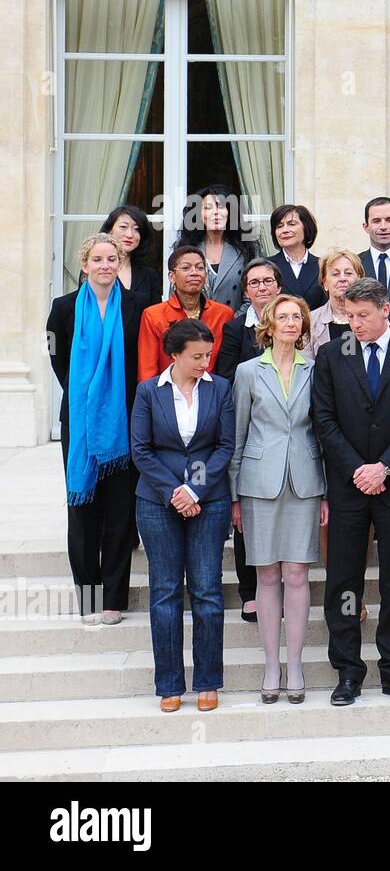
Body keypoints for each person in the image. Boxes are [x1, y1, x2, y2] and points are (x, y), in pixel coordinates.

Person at [312, 278, 390, 706]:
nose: (355, 323)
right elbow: (323, 420)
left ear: (386, 309)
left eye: (363, 315)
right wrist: (357, 470)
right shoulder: (331, 355)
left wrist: (384, 468)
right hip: (348, 488)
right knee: (344, 582)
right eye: (349, 315)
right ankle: (347, 671)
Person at [130, 318, 235, 713]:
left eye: (208, 355)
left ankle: (208, 680)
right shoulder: (148, 392)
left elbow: (225, 446)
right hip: (157, 503)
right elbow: (141, 450)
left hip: (208, 500)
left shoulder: (221, 389)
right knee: (165, 592)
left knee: (207, 591)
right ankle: (170, 683)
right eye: (196, 356)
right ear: (174, 355)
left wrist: (194, 489)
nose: (205, 362)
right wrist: (174, 492)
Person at [47, 233, 150, 624]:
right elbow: (59, 362)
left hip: (124, 422)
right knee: (83, 509)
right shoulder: (64, 308)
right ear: (85, 264)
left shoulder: (138, 306)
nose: (105, 265)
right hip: (80, 422)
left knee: (121, 512)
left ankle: (113, 600)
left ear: (120, 263)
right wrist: (87, 399)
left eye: (112, 259)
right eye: (98, 259)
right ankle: (89, 598)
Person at [229, 295, 326, 705]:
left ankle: (297, 663)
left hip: (305, 481)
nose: (290, 323)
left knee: (298, 576)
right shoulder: (248, 371)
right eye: (282, 317)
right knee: (267, 576)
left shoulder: (317, 369)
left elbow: (323, 431)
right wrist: (234, 495)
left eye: (297, 317)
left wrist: (327, 491)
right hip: (258, 482)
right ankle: (272, 665)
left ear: (304, 326)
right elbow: (237, 435)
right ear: (268, 324)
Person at [215, 257, 284, 623]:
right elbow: (225, 378)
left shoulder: (292, 323)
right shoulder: (234, 329)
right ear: (246, 291)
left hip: (287, 434)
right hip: (252, 432)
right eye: (254, 283)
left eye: (268, 281)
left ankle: (279, 587)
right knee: (248, 517)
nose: (262, 288)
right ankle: (250, 590)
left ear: (279, 286)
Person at [138, 246, 235, 382]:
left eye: (200, 268)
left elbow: (226, 365)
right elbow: (147, 370)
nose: (194, 273)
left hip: (211, 392)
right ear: (172, 276)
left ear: (206, 276)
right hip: (166, 393)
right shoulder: (153, 315)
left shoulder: (223, 314)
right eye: (186, 268)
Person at [174, 184, 256, 310]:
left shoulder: (244, 250)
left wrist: (231, 325)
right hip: (194, 326)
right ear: (199, 216)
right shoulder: (186, 251)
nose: (216, 212)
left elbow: (252, 298)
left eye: (221, 206)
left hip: (233, 325)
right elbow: (175, 298)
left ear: (229, 212)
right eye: (207, 208)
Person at [267, 203, 327, 310]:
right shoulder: (266, 266)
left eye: (291, 224)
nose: (285, 230)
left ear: (306, 227)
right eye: (279, 226)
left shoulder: (323, 265)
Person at [100, 205, 163, 305]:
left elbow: (155, 316)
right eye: (123, 227)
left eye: (136, 229)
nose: (130, 235)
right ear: (109, 231)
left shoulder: (149, 275)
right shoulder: (94, 269)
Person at [306, 249, 363, 359]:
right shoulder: (310, 321)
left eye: (348, 273)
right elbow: (305, 367)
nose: (342, 278)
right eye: (335, 274)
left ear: (359, 280)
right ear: (325, 283)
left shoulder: (375, 317)